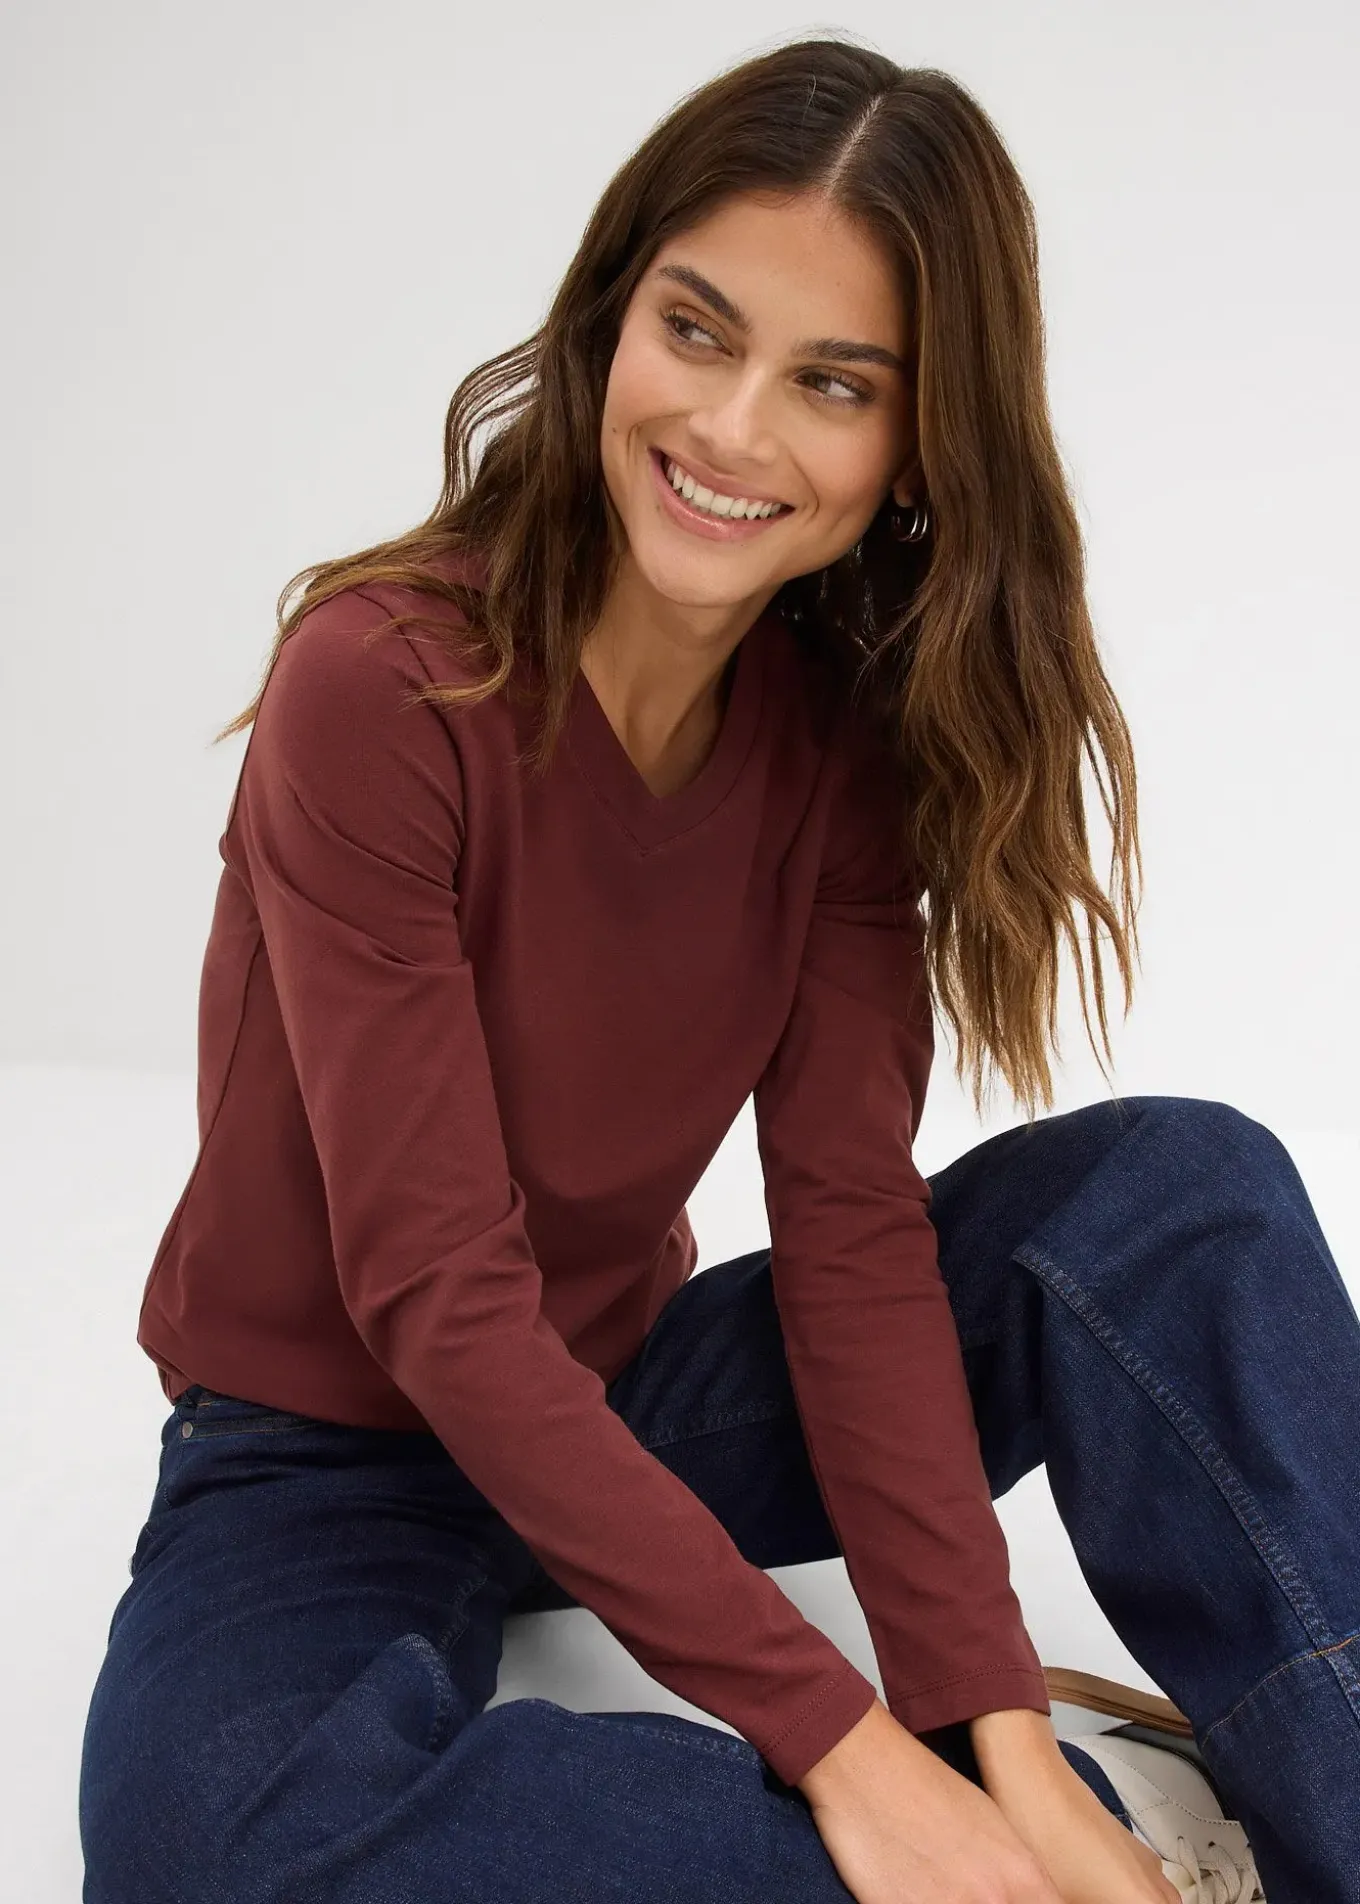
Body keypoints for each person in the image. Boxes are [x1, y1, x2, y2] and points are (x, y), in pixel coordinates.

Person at [77, 35, 1355, 1904]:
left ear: (915, 448)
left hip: (626, 1403)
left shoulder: (837, 751)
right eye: (698, 330)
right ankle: (1054, 1859)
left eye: (832, 383)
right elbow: (436, 1299)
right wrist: (851, 1752)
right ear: (612, 320)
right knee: (208, 1843)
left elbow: (852, 1241)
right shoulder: (382, 688)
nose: (737, 429)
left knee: (1181, 1202)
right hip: (318, 1458)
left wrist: (984, 1713)